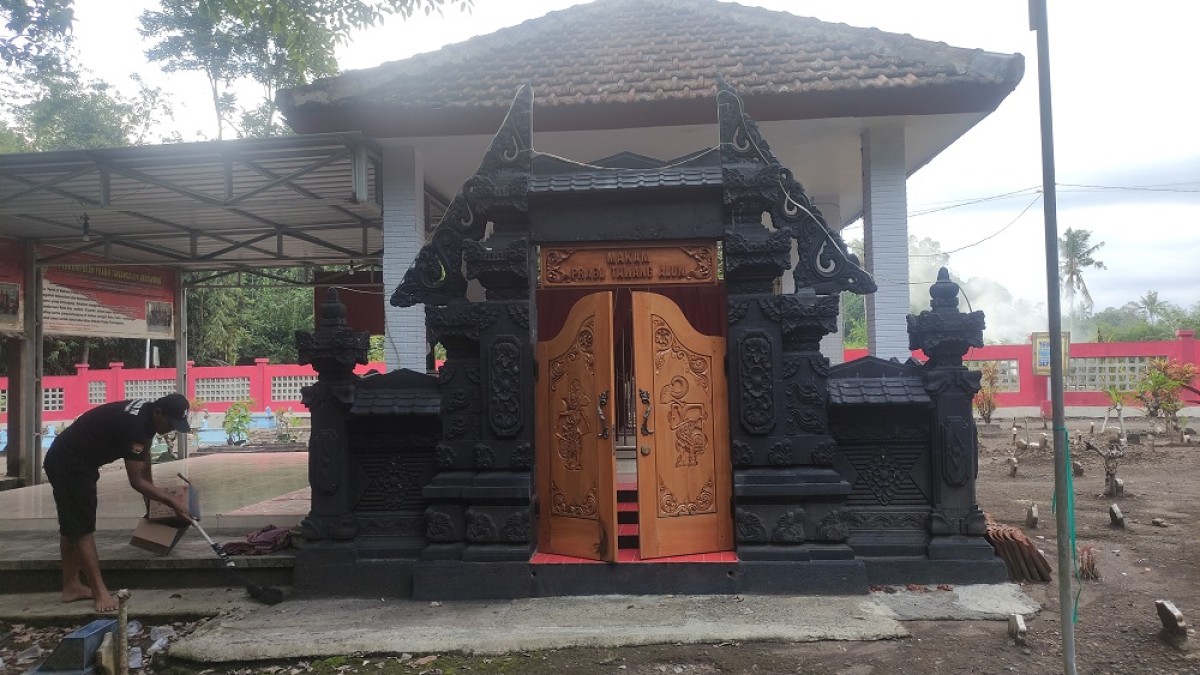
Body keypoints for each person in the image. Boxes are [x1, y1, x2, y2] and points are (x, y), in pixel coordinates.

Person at [43, 394, 192, 612]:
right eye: (170, 423)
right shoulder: (137, 426)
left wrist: (152, 499)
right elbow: (137, 481)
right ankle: (100, 593)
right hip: (69, 464)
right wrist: (171, 501)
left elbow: (143, 461)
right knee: (82, 529)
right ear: (159, 412)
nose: (170, 429)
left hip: (75, 460)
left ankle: (71, 586)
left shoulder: (147, 416)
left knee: (72, 526)